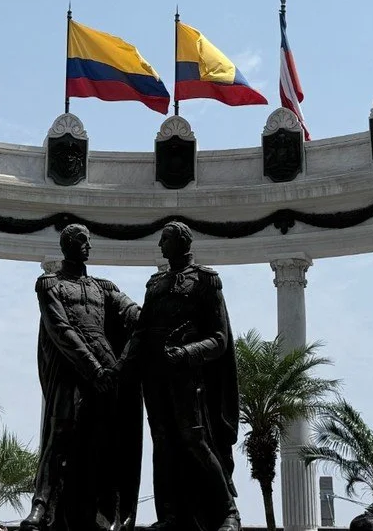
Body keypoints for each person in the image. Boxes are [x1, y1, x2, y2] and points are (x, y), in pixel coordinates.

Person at [21, 225, 143, 531]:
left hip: (106, 372)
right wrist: (94, 369)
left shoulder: (104, 287)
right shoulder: (49, 284)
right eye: (82, 241)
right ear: (67, 245)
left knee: (107, 441)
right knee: (59, 433)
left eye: (89, 240)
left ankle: (106, 512)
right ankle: (41, 504)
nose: (88, 245)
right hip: (70, 371)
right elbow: (61, 331)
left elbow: (135, 316)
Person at [124, 221, 240, 531]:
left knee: (195, 440)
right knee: (162, 444)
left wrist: (187, 353)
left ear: (181, 243)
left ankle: (229, 511)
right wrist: (123, 367)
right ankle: (169, 516)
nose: (160, 247)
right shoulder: (155, 284)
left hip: (187, 377)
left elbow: (219, 338)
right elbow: (141, 331)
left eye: (165, 240)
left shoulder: (206, 281)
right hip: (154, 375)